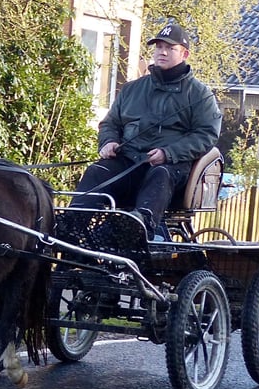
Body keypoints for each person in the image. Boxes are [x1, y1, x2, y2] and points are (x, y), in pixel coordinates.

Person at [70, 22, 222, 239]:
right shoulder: (132, 89)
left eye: (170, 48)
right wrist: (108, 142)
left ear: (184, 53)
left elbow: (206, 135)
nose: (162, 52)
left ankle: (139, 226)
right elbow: (110, 123)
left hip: (170, 168)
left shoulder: (199, 95)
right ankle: (72, 226)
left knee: (160, 173)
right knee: (98, 170)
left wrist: (168, 153)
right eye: (159, 47)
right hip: (129, 162)